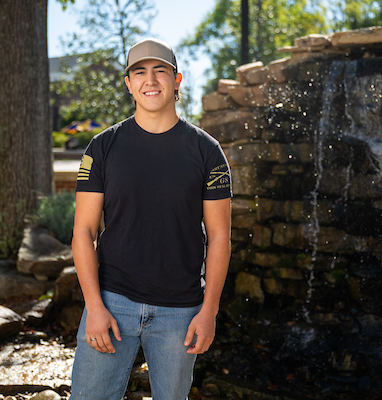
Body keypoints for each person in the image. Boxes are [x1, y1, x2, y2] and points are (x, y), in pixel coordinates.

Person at [69, 38, 232, 400]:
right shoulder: (102, 148)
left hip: (182, 312)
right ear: (128, 83)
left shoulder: (207, 152)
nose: (150, 80)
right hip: (112, 302)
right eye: (139, 72)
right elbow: (83, 231)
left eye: (161, 70)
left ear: (177, 80)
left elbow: (220, 237)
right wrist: (94, 306)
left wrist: (209, 312)